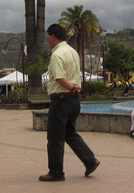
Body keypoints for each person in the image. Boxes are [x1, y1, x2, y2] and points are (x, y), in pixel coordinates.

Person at [39, 24, 100, 182]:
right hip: (73, 100)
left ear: (53, 36)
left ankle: (56, 172)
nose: (47, 41)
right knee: (69, 133)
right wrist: (74, 89)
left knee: (54, 138)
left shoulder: (57, 54)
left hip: (61, 99)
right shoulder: (72, 52)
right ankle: (90, 160)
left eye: (48, 37)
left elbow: (59, 77)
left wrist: (72, 87)